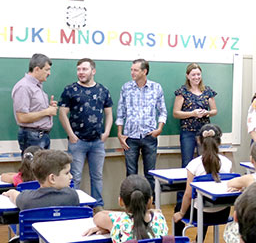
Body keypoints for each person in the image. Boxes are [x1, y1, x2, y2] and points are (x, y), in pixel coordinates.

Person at [58, 58, 113, 205]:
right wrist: (71, 134)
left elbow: (109, 113)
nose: (80, 72)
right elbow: (62, 113)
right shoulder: (70, 90)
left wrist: (106, 132)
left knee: (97, 177)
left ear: (93, 71)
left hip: (97, 142)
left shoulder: (103, 90)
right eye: (79, 69)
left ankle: (98, 206)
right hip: (78, 142)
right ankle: (74, 206)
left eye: (84, 69)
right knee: (74, 176)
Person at [171, 124, 233, 236]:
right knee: (207, 200)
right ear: (219, 142)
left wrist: (181, 213)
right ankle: (197, 241)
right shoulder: (227, 163)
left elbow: (188, 195)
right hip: (223, 213)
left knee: (181, 207)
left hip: (200, 214)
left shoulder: (194, 164)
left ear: (199, 141)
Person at [116, 58, 167, 190]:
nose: (132, 72)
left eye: (135, 70)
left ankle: (150, 203)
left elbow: (163, 111)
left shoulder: (156, 88)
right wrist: (120, 134)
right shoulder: (126, 88)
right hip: (130, 138)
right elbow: (120, 112)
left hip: (149, 136)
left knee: (150, 174)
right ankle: (131, 203)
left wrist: (159, 129)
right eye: (131, 70)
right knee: (131, 174)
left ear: (144, 71)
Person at [173, 62, 218, 167]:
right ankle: (187, 183)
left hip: (205, 133)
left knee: (204, 162)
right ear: (187, 76)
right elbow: (176, 113)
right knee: (187, 162)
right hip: (187, 132)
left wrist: (207, 113)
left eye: (198, 74)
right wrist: (192, 114)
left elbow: (214, 110)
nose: (196, 77)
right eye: (193, 75)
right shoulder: (182, 92)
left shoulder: (207, 91)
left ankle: (202, 183)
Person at [11, 53, 57, 153]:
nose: (49, 73)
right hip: (32, 136)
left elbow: (36, 110)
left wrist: (49, 108)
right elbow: (22, 117)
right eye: (47, 70)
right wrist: (47, 112)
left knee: (42, 168)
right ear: (37, 69)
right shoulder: (24, 87)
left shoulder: (37, 86)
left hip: (42, 135)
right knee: (32, 168)